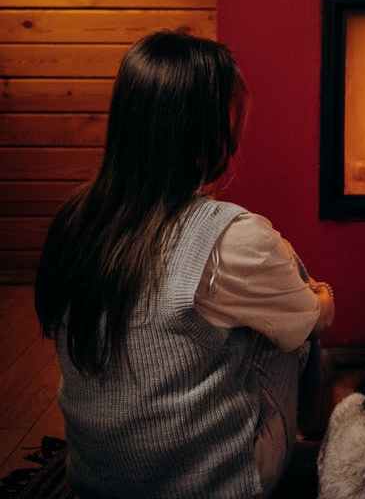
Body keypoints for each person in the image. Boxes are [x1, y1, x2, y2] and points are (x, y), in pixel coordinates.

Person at [34, 31, 335, 498]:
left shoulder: (74, 218)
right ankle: (319, 447)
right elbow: (311, 320)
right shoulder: (230, 235)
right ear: (208, 127)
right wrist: (320, 299)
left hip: (94, 476)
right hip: (207, 485)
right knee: (292, 325)